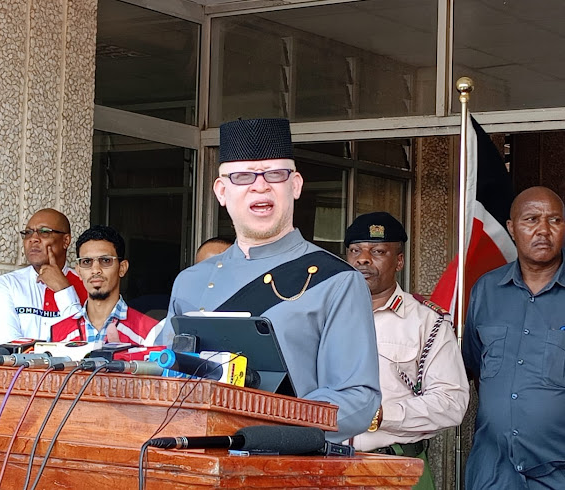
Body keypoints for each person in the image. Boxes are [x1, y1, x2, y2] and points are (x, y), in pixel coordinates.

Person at [162, 117, 381, 442]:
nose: (260, 185)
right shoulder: (189, 282)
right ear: (222, 191)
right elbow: (165, 378)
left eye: (274, 174)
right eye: (242, 176)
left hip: (288, 466)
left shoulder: (337, 281)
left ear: (295, 185)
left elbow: (358, 400)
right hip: (196, 459)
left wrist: (270, 427)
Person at [344, 212, 469, 490]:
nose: (363, 259)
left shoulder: (427, 321)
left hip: (397, 469)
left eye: (377, 251)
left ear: (399, 261)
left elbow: (451, 403)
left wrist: (381, 416)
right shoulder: (322, 315)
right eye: (355, 250)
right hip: (327, 467)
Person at [462, 186, 565, 490]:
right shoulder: (486, 290)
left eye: (555, 221)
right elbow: (475, 366)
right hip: (494, 470)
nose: (543, 230)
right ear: (512, 228)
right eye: (531, 220)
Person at [0, 208, 87, 347]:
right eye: (28, 233)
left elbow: (84, 344)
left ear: (65, 240)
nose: (33, 239)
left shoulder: (88, 284)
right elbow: (8, 348)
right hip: (22, 369)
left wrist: (63, 290)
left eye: (44, 232)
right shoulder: (7, 284)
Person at [51, 225, 161, 345]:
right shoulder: (57, 333)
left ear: (122, 268)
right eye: (87, 262)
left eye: (106, 261)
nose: (95, 270)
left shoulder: (150, 332)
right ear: (79, 271)